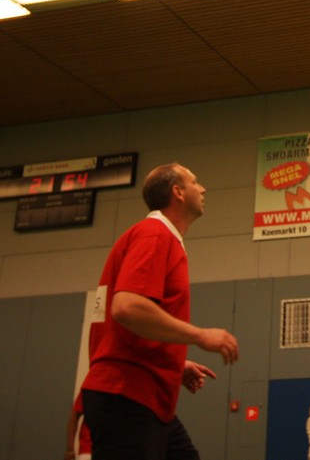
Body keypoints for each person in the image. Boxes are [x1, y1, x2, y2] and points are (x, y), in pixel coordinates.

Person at [80, 163, 239, 460]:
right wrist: (199, 335)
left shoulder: (164, 239)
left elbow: (136, 326)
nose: (203, 189)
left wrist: (175, 362)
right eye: (195, 182)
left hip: (147, 398)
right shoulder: (154, 234)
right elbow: (128, 307)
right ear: (178, 192)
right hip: (125, 396)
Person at [64, 394, 92, 460]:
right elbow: (74, 417)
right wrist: (70, 450)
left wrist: (70, 450)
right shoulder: (88, 390)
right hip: (88, 450)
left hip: (87, 450)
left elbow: (74, 417)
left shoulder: (89, 390)